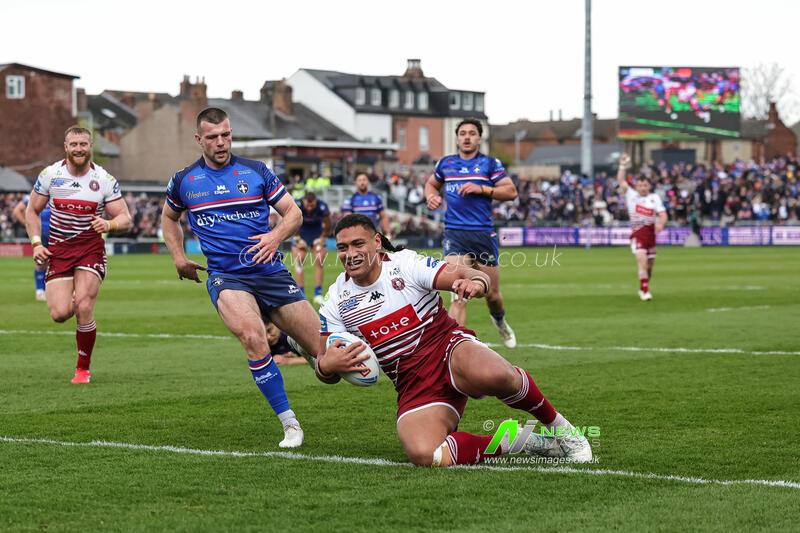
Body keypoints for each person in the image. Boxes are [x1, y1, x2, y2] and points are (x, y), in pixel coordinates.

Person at [311, 214, 591, 467]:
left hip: (449, 350)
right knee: (425, 455)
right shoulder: (336, 300)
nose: (350, 254)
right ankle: (515, 440)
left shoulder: (405, 264)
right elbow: (325, 361)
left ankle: (564, 430)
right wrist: (326, 367)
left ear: (376, 242)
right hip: (413, 384)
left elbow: (464, 273)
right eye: (343, 247)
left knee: (497, 374)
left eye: (358, 244)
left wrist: (476, 282)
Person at [161, 107, 321, 448]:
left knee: (328, 362)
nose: (221, 143)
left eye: (227, 135)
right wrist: (178, 257)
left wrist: (275, 238)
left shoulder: (257, 171)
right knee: (253, 337)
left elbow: (293, 214)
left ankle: (296, 343)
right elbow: (168, 218)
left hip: (271, 273)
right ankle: (290, 424)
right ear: (199, 139)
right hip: (226, 277)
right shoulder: (185, 181)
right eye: (213, 137)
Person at [24, 126, 133, 384]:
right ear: (66, 147)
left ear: (90, 145)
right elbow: (31, 211)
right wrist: (37, 243)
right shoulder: (51, 175)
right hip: (60, 250)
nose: (79, 149)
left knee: (84, 306)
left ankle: (82, 369)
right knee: (60, 314)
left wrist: (109, 225)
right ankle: (74, 297)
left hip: (89, 248)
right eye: (74, 144)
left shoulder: (104, 179)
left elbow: (126, 218)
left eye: (83, 144)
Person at [424, 119, 518, 348]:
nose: (467, 137)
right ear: (457, 138)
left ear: (479, 138)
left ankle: (500, 322)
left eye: (472, 133)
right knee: (458, 294)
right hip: (455, 235)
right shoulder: (446, 163)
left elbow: (511, 192)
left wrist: (483, 189)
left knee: (492, 295)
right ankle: (454, 348)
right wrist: (431, 197)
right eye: (463, 133)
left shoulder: (489, 164)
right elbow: (430, 184)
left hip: (483, 236)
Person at [616, 153, 667, 301]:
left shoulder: (654, 198)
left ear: (649, 186)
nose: (643, 187)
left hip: (650, 235)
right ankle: (645, 291)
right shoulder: (631, 195)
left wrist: (660, 223)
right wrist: (622, 165)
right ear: (636, 186)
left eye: (645, 185)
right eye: (640, 185)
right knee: (642, 261)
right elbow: (621, 180)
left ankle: (643, 286)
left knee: (649, 267)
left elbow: (663, 214)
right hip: (638, 233)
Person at [292, 191, 331, 306]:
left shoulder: (322, 206)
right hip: (301, 232)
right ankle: (301, 294)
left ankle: (318, 294)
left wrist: (322, 238)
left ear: (315, 202)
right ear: (303, 201)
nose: (309, 208)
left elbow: (328, 225)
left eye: (312, 205)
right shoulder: (297, 205)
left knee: (319, 260)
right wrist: (298, 239)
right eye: (307, 205)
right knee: (299, 260)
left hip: (316, 233)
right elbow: (291, 223)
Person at [13, 194, 52, 300]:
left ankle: (43, 290)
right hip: (45, 232)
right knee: (43, 261)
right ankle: (41, 290)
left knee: (47, 262)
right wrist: (27, 224)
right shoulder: (33, 195)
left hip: (50, 232)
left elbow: (17, 210)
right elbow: (17, 210)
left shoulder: (40, 194)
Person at [341, 171, 391, 236]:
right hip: (357, 235)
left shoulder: (376, 198)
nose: (362, 182)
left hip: (374, 234)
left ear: (368, 182)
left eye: (364, 180)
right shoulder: (350, 200)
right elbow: (347, 219)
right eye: (359, 180)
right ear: (355, 182)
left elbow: (383, 216)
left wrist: (388, 233)